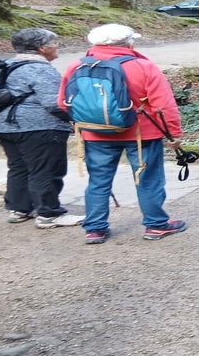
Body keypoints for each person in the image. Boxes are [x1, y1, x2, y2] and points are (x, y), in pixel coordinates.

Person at [57, 23, 187, 244]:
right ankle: (156, 225)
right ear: (128, 43)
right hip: (141, 134)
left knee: (98, 181)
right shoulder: (143, 66)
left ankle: (95, 229)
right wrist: (173, 134)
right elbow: (163, 106)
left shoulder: (76, 66)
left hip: (95, 134)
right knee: (148, 179)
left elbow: (63, 102)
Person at [0, 28, 84, 228]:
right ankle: (49, 214)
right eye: (54, 42)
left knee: (19, 167)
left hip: (2, 126)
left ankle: (19, 209)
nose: (57, 46)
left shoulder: (7, 65)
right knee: (45, 169)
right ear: (41, 48)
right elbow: (54, 103)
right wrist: (75, 119)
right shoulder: (41, 69)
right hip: (37, 127)